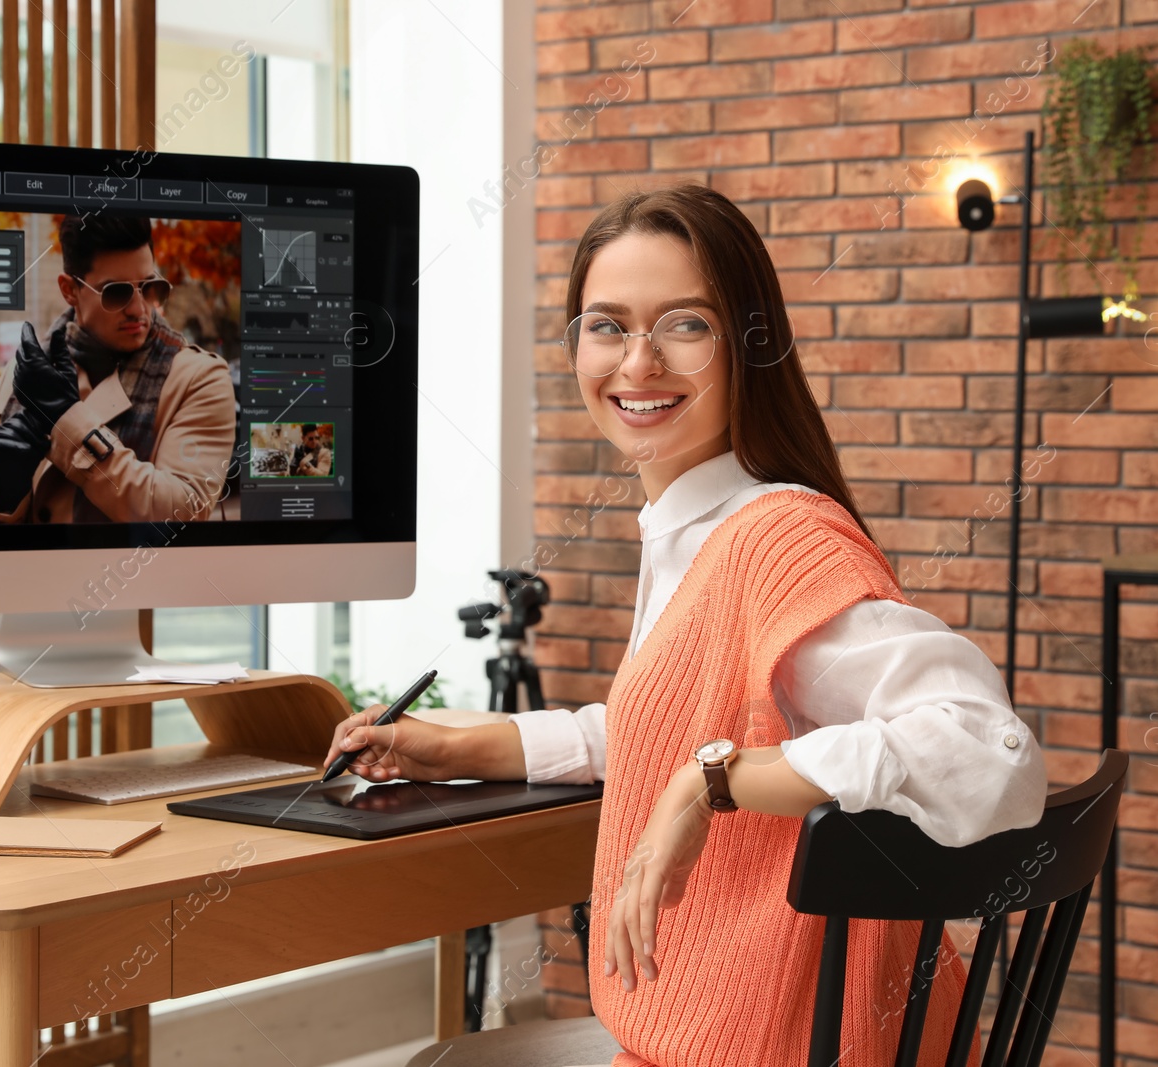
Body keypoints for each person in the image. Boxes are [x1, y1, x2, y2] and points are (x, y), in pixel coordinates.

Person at [321, 185, 1047, 1067]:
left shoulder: (775, 534)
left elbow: (989, 752)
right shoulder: (696, 527)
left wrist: (714, 783)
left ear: (748, 346)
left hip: (770, 1044)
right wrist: (458, 749)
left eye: (684, 325)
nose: (638, 362)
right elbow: (668, 723)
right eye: (606, 325)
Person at [0, 214, 236, 524]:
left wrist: (68, 422)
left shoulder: (199, 379)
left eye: (148, 287)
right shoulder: (19, 378)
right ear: (69, 290)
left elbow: (182, 514)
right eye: (116, 292)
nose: (138, 309)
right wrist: (1, 493)